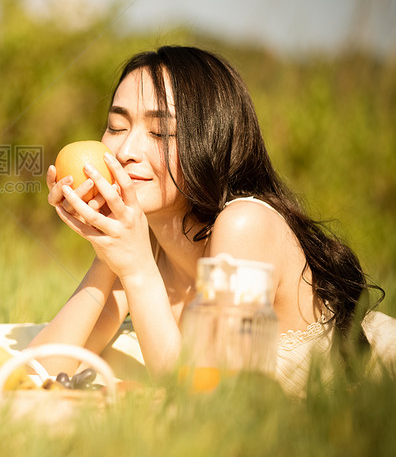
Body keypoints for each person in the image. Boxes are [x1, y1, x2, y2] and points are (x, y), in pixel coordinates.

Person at [30, 45, 384, 393]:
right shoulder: (147, 245)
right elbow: (43, 366)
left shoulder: (245, 226)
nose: (124, 152)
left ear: (212, 140)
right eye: (117, 126)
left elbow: (207, 401)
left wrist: (136, 269)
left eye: (159, 132)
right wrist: (106, 243)